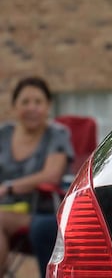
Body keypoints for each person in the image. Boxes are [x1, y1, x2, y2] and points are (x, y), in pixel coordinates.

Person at [0, 77, 73, 264]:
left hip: (41, 211)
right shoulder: (4, 134)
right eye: (25, 102)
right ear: (15, 106)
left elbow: (51, 175)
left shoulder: (57, 134)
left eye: (38, 102)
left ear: (48, 106)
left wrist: (9, 187)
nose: (31, 107)